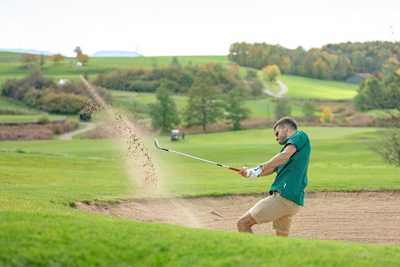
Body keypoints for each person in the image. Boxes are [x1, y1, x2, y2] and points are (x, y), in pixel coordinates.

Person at [237, 117, 311, 236]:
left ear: (285, 129)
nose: (276, 137)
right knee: (281, 238)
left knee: (242, 224)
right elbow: (270, 169)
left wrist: (259, 167)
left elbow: (284, 155)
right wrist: (250, 172)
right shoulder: (289, 151)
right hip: (292, 202)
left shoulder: (300, 136)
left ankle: (252, 255)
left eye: (277, 133)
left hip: (283, 197)